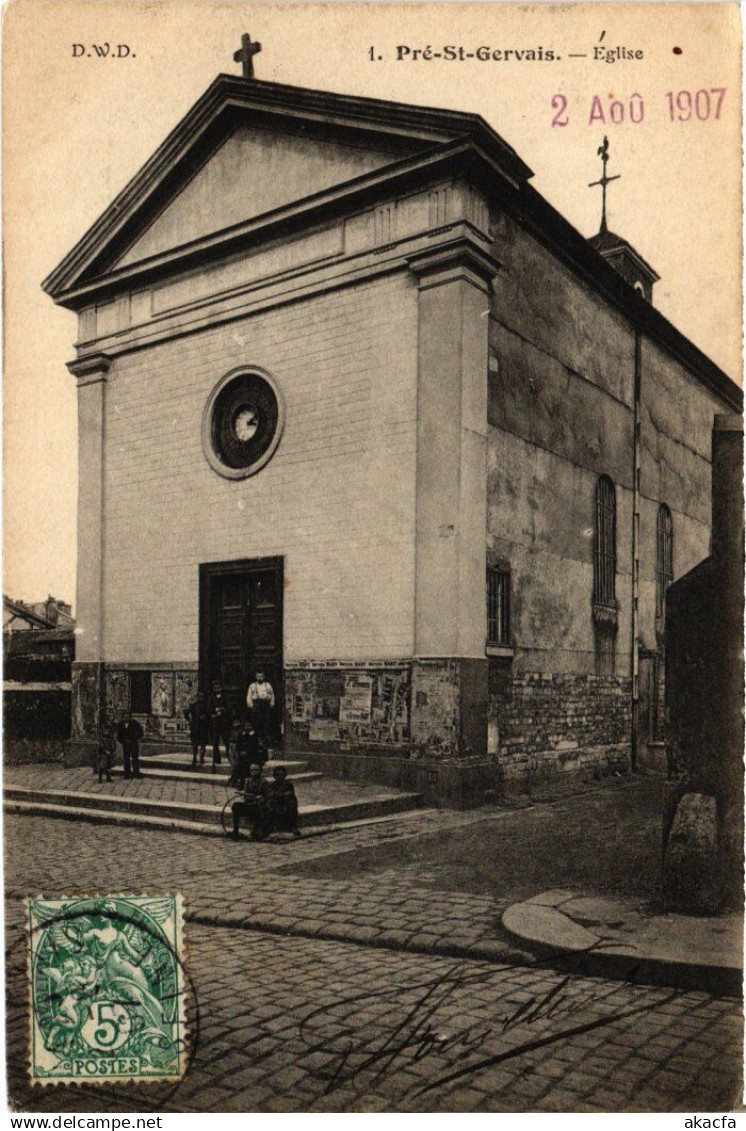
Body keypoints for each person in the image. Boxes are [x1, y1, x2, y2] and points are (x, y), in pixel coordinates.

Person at [230, 764, 271, 841]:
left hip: (259, 806)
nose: (254, 772)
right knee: (236, 806)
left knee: (259, 810)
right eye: (252, 770)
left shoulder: (264, 782)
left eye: (256, 770)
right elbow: (245, 796)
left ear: (260, 771)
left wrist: (262, 797)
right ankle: (235, 831)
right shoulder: (248, 781)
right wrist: (249, 797)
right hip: (250, 804)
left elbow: (269, 795)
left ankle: (255, 831)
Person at [246, 670, 275, 756]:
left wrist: (271, 703)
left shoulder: (268, 685)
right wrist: (251, 706)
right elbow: (249, 697)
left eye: (261, 676)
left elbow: (272, 695)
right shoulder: (252, 686)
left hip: (265, 706)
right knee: (256, 725)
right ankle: (255, 745)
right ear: (256, 677)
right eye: (258, 676)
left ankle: (267, 748)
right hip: (256, 706)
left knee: (265, 726)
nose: (260, 678)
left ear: (264, 677)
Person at [268, 765, 301, 837]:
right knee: (271, 804)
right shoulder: (273, 785)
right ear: (275, 776)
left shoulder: (288, 784)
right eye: (277, 775)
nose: (280, 777)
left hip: (286, 803)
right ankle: (273, 826)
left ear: (285, 775)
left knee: (291, 803)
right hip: (277, 804)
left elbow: (291, 794)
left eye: (281, 775)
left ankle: (292, 826)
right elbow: (272, 794)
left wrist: (280, 795)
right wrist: (282, 795)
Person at [207, 680, 232, 772]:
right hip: (215, 723)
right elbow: (209, 708)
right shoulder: (211, 697)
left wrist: (222, 711)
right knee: (215, 741)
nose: (217, 689)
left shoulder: (225, 697)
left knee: (226, 740)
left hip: (224, 722)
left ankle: (230, 758)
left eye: (218, 687)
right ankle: (217, 759)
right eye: (215, 688)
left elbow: (228, 708)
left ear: (221, 688)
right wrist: (213, 712)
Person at [228, 720, 261, 790]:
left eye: (249, 726)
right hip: (242, 756)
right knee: (240, 769)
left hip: (251, 757)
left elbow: (254, 747)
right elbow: (238, 744)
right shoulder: (242, 734)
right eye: (246, 726)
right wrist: (241, 751)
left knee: (248, 770)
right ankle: (239, 783)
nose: (247, 727)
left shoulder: (254, 735)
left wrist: (247, 752)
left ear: (252, 726)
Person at [184, 691, 209, 767]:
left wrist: (204, 717)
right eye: (198, 696)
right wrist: (189, 719)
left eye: (201, 697)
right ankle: (194, 757)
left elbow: (209, 714)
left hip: (203, 727)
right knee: (195, 744)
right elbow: (186, 712)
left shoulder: (206, 705)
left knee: (203, 744)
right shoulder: (193, 705)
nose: (199, 698)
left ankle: (201, 757)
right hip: (195, 727)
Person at [117, 712, 144, 779]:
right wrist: (124, 741)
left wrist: (135, 738)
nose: (126, 718)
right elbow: (119, 736)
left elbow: (140, 732)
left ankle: (136, 773)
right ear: (123, 718)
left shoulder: (134, 723)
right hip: (126, 744)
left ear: (130, 717)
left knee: (135, 758)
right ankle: (127, 774)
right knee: (126, 759)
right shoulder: (120, 725)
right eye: (125, 717)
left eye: (128, 717)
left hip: (133, 743)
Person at [96, 717, 117, 783]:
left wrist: (113, 750)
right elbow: (101, 745)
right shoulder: (102, 738)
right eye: (105, 731)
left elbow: (113, 744)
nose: (106, 732)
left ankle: (108, 777)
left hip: (110, 752)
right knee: (102, 765)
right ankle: (100, 778)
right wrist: (105, 751)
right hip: (103, 753)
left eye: (107, 731)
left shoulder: (111, 738)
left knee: (109, 766)